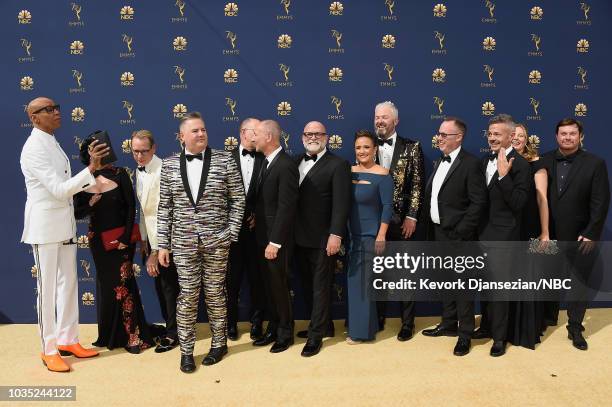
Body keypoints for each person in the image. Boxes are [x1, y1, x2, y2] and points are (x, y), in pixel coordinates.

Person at [21, 97, 105, 372]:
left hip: (64, 225)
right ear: (34, 117)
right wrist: (91, 169)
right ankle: (48, 348)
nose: (57, 113)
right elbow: (58, 190)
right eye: (49, 110)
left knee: (68, 284)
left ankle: (68, 339)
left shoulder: (50, 140)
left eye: (57, 108)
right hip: (45, 228)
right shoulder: (34, 147)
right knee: (46, 291)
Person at [157, 112, 245, 373]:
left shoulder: (224, 160)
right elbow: (165, 207)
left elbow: (238, 200)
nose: (201, 134)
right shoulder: (170, 164)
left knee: (216, 294)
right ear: (182, 136)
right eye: (195, 130)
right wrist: (163, 244)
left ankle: (219, 344)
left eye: (204, 129)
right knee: (187, 296)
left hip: (218, 242)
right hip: (182, 243)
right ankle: (186, 352)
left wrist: (231, 233)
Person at [74, 136, 154, 354]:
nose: (99, 152)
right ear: (88, 153)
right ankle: (110, 335)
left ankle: (133, 336)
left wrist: (126, 238)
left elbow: (131, 209)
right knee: (108, 288)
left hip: (122, 241)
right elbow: (77, 211)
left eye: (102, 148)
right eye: (94, 149)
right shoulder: (83, 179)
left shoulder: (121, 174)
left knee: (124, 286)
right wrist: (90, 203)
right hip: (98, 243)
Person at [540, 118, 610, 350]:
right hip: (548, 235)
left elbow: (600, 202)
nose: (567, 137)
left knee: (578, 284)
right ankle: (543, 321)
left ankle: (575, 327)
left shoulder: (595, 163)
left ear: (580, 136)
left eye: (572, 133)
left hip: (581, 236)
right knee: (544, 280)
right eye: (563, 134)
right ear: (556, 136)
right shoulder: (545, 160)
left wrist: (591, 233)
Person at [420, 117, 487, 356]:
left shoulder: (470, 163)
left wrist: (461, 232)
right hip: (439, 233)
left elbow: (478, 203)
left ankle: (465, 334)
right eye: (438, 133)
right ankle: (448, 324)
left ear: (458, 137)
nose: (439, 137)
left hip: (460, 237)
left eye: (444, 134)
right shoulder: (440, 161)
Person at [475, 114, 531, 357]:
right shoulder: (483, 160)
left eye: (497, 134)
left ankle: (499, 338)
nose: (492, 138)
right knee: (486, 286)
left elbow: (518, 203)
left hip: (504, 237)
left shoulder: (520, 165)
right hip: (481, 234)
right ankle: (486, 326)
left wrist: (504, 176)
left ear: (511, 135)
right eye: (490, 133)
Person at [294, 121, 351, 357]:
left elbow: (341, 204)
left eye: (318, 133)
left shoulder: (338, 164)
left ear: (326, 137)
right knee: (307, 286)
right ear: (302, 137)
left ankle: (315, 336)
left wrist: (335, 234)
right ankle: (324, 325)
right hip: (298, 237)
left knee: (320, 288)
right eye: (309, 133)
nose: (313, 137)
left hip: (323, 238)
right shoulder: (295, 161)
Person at [373, 101, 424, 340]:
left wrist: (412, 216)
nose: (379, 121)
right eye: (377, 117)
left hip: (402, 220)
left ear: (396, 121)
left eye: (384, 117)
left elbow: (416, 185)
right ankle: (378, 318)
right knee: (378, 272)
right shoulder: (367, 146)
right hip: (374, 221)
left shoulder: (412, 147)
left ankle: (407, 323)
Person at [251, 119, 299, 353]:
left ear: (269, 136)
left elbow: (286, 207)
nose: (253, 138)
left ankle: (285, 333)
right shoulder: (266, 162)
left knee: (279, 287)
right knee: (269, 288)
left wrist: (275, 242)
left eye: (257, 134)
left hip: (275, 241)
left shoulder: (286, 165)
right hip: (263, 237)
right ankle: (273, 328)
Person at [131, 130, 180, 353]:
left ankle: (174, 334)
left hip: (166, 239)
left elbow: (166, 212)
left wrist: (159, 247)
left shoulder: (166, 170)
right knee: (160, 286)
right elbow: (143, 211)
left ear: (154, 149)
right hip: (149, 239)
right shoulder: (138, 172)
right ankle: (170, 326)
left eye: (144, 151)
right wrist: (143, 240)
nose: (139, 156)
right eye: (135, 152)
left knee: (170, 287)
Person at [346, 130, 393, 344]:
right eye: (358, 147)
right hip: (349, 235)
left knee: (361, 283)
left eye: (366, 147)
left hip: (369, 237)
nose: (362, 151)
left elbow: (386, 207)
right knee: (355, 282)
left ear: (375, 149)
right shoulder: (348, 172)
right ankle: (367, 325)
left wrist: (381, 234)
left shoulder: (383, 174)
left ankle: (360, 333)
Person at [506, 123, 549, 349]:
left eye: (521, 136)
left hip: (530, 226)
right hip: (508, 228)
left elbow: (542, 199)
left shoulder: (536, 164)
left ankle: (525, 330)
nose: (517, 139)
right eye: (513, 135)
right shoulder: (502, 161)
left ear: (527, 139)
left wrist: (545, 232)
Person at [227, 118, 266, 341]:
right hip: (232, 232)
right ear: (243, 133)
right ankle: (230, 324)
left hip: (258, 231)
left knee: (257, 279)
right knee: (230, 281)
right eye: (256, 131)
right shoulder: (225, 159)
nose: (260, 135)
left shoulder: (266, 159)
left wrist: (259, 217)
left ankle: (257, 322)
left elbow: (271, 195)